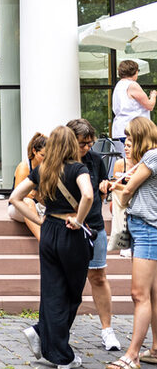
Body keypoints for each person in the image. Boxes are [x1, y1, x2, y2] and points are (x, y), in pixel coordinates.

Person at [11, 126, 94, 369]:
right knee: (72, 293)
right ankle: (61, 354)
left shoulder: (42, 169)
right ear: (70, 145)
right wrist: (79, 220)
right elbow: (87, 195)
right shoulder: (78, 168)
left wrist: (39, 221)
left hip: (49, 230)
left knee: (51, 290)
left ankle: (43, 336)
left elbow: (15, 197)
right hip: (71, 231)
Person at [106, 116, 157, 369]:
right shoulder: (145, 160)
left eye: (130, 138)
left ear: (142, 137)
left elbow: (126, 191)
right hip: (143, 228)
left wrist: (120, 189)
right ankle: (155, 349)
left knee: (139, 294)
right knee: (152, 294)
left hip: (149, 230)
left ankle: (133, 355)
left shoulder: (152, 157)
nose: (126, 143)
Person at [66, 118, 120, 352]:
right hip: (67, 227)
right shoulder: (58, 162)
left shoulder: (95, 160)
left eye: (90, 143)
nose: (87, 147)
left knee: (98, 276)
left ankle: (107, 330)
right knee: (66, 280)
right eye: (83, 143)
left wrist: (105, 186)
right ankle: (59, 329)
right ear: (70, 140)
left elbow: (101, 189)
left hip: (94, 226)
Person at [7, 132, 47, 241]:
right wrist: (37, 196)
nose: (46, 159)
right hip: (19, 207)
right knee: (28, 202)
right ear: (34, 151)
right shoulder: (24, 167)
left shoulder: (47, 168)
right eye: (42, 155)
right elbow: (19, 196)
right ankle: (42, 241)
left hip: (40, 206)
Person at [112, 59, 156, 142]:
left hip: (120, 128)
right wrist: (153, 96)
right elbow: (149, 106)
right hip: (135, 129)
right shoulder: (132, 85)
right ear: (135, 71)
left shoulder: (119, 85)